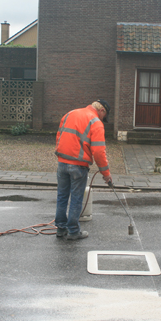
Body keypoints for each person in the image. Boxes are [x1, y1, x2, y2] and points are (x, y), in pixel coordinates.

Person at [55, 100, 113, 240]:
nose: (102, 120)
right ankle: (73, 231)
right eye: (104, 117)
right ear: (102, 111)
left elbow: (58, 137)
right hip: (79, 166)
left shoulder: (70, 114)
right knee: (76, 198)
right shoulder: (95, 122)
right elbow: (99, 151)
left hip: (62, 163)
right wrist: (106, 174)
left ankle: (61, 228)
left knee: (62, 196)